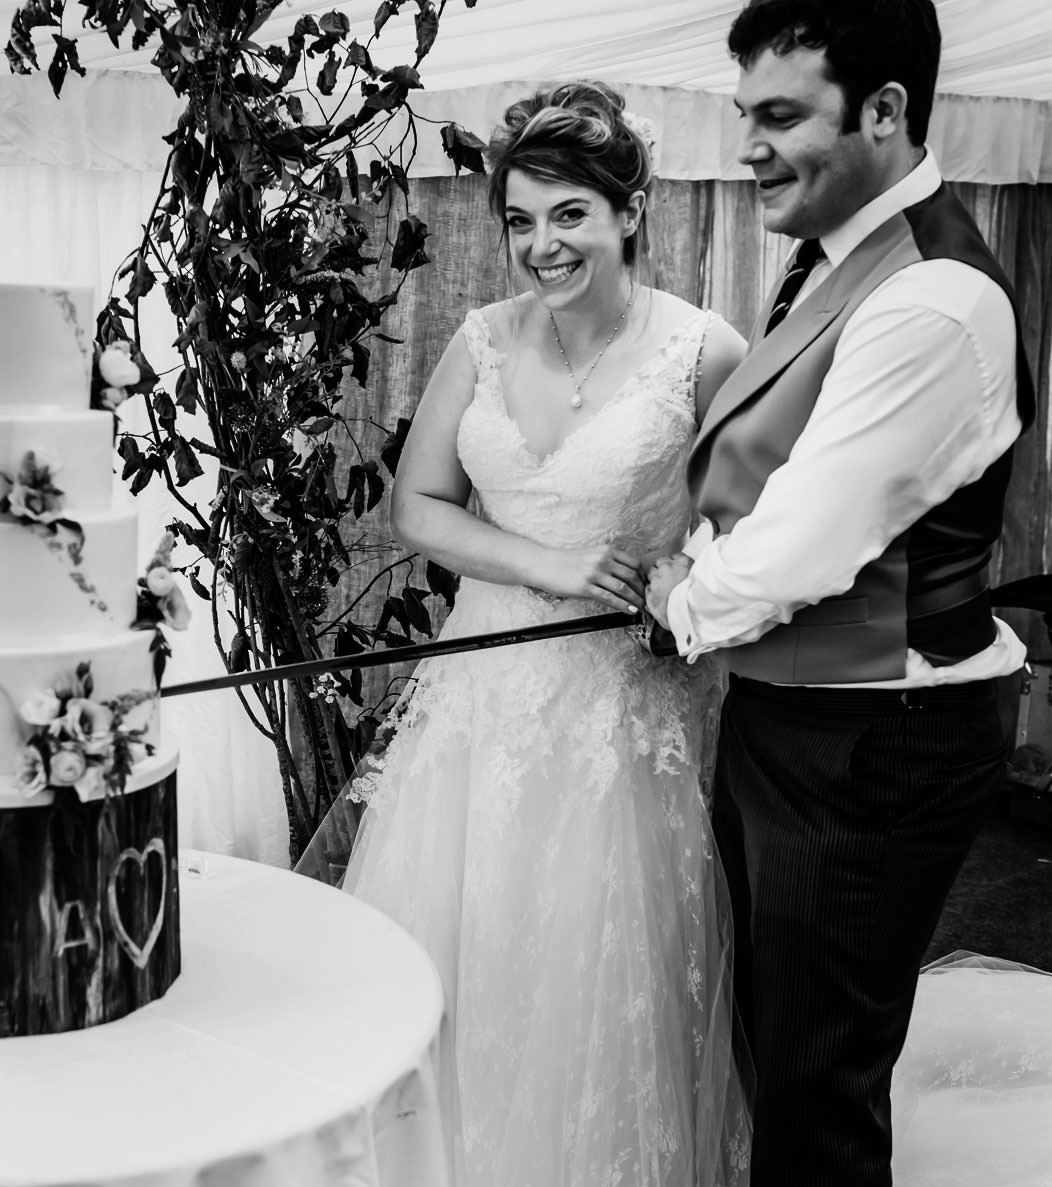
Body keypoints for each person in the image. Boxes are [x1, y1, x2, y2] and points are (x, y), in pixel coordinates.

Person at [643, 2, 1038, 1184]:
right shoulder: (838, 251)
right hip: (810, 700)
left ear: (883, 110)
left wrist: (679, 599)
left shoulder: (934, 294)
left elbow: (799, 546)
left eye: (778, 116)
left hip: (876, 736)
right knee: (777, 1040)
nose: (748, 147)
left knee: (818, 1087)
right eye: (742, 115)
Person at [336, 81, 752, 1184]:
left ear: (630, 208)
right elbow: (417, 504)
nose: (539, 245)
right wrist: (549, 563)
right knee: (457, 941)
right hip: (477, 700)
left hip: (613, 710)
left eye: (567, 214)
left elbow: (754, 523)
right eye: (519, 219)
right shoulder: (478, 338)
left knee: (584, 963)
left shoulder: (705, 349)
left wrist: (683, 576)